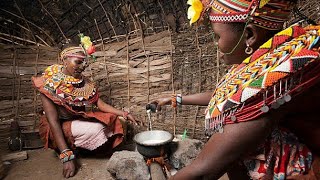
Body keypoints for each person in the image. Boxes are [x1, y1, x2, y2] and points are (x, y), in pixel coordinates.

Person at [151, 0, 320, 179]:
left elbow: (203, 172)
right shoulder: (275, 57)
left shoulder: (280, 80)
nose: (217, 45)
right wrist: (177, 99)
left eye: (217, 36)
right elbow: (230, 97)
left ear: (249, 35)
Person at [32, 41, 139, 178]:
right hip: (56, 127)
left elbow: (101, 105)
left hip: (76, 122)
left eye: (84, 63)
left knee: (117, 121)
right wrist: (66, 157)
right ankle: (66, 148)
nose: (81, 67)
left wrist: (125, 113)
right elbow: (52, 121)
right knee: (97, 130)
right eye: (78, 62)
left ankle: (79, 148)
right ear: (64, 60)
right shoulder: (49, 82)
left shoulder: (84, 82)